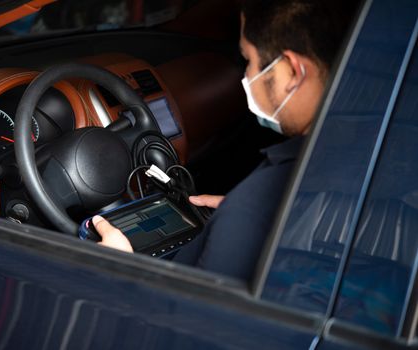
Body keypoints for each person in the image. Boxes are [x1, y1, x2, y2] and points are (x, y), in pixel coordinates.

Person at [92, 0, 360, 281]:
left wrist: (121, 268)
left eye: (249, 60)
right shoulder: (346, 159)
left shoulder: (252, 209)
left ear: (292, 72)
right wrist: (237, 214)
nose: (246, 76)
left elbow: (185, 319)